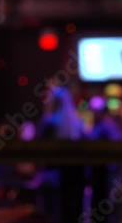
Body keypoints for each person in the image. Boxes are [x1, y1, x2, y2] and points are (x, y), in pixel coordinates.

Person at [36, 86, 84, 223]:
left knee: (49, 215)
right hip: (74, 181)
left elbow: (37, 152)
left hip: (51, 179)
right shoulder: (78, 125)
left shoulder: (48, 123)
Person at [86, 97, 122, 223]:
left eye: (96, 110)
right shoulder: (98, 124)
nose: (94, 113)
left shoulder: (107, 124)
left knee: (109, 209)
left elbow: (118, 146)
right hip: (101, 174)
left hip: (110, 174)